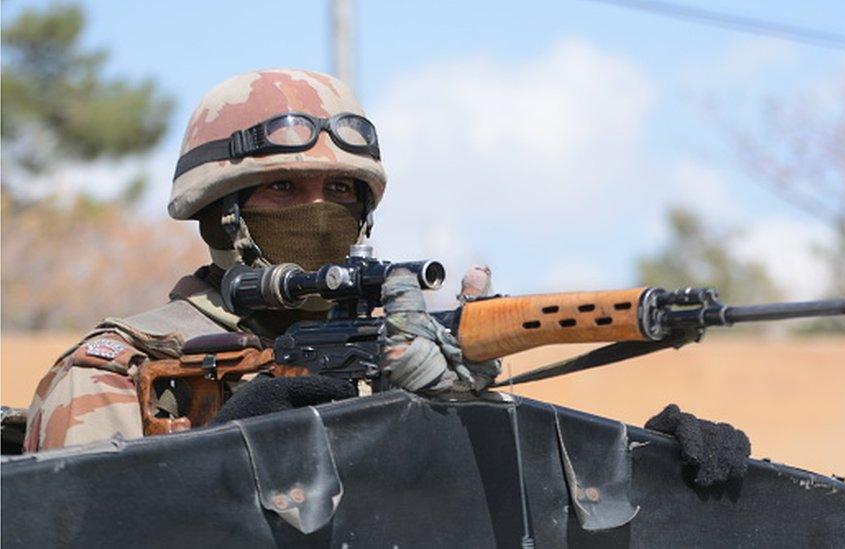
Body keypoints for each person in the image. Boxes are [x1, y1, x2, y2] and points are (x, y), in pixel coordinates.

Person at [22, 69, 496, 452]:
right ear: (219, 213)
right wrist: (223, 451)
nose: (319, 211)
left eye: (339, 190)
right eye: (282, 187)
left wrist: (450, 418)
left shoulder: (402, 358)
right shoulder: (117, 373)